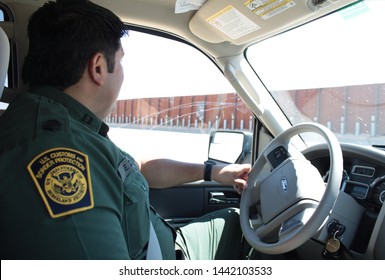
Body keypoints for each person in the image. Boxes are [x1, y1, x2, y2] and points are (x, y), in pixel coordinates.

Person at [0, 0, 251, 260]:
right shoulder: (59, 150)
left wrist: (213, 171)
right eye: (120, 61)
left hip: (165, 244)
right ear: (98, 68)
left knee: (237, 221)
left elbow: (136, 166)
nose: (122, 72)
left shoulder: (70, 125)